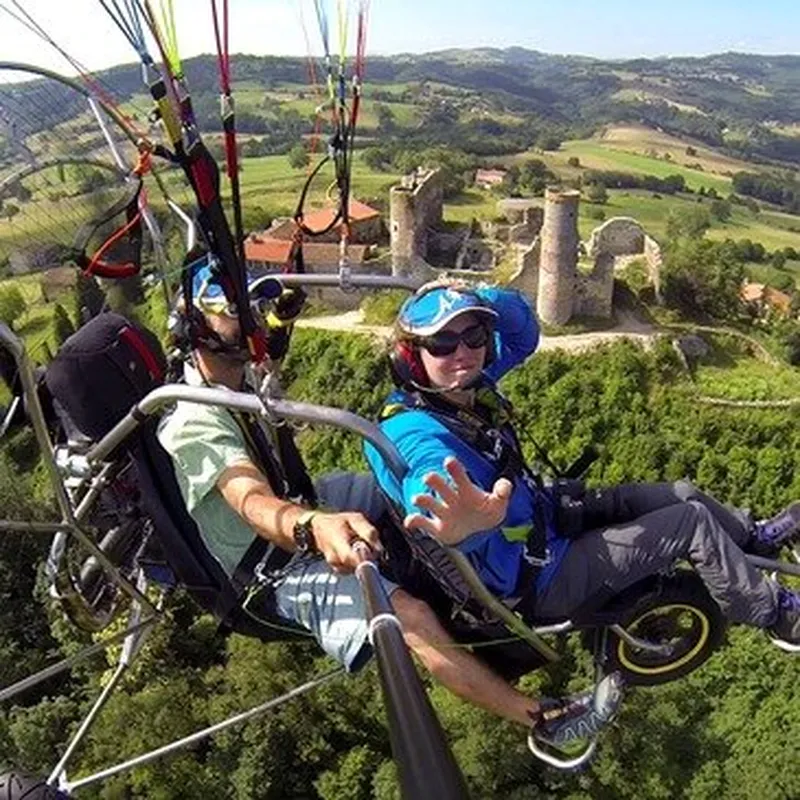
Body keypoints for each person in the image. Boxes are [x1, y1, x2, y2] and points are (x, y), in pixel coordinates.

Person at [156, 259, 617, 745]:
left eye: (259, 306)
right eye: (236, 311)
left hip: (305, 496)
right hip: (269, 564)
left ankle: (500, 565)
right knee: (409, 616)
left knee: (400, 482)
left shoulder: (237, 375)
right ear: (195, 325)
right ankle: (545, 721)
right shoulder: (195, 422)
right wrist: (313, 527)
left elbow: (267, 344)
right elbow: (251, 501)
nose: (254, 320)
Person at [365, 281, 800, 648]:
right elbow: (429, 477)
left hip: (544, 515)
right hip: (536, 576)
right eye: (442, 342)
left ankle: (753, 538)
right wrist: (461, 526)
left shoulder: (464, 389)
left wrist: (472, 291)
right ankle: (775, 615)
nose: (462, 351)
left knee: (683, 493)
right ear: (410, 357)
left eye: (474, 335)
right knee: (689, 522)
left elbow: (522, 335)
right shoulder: (412, 431)